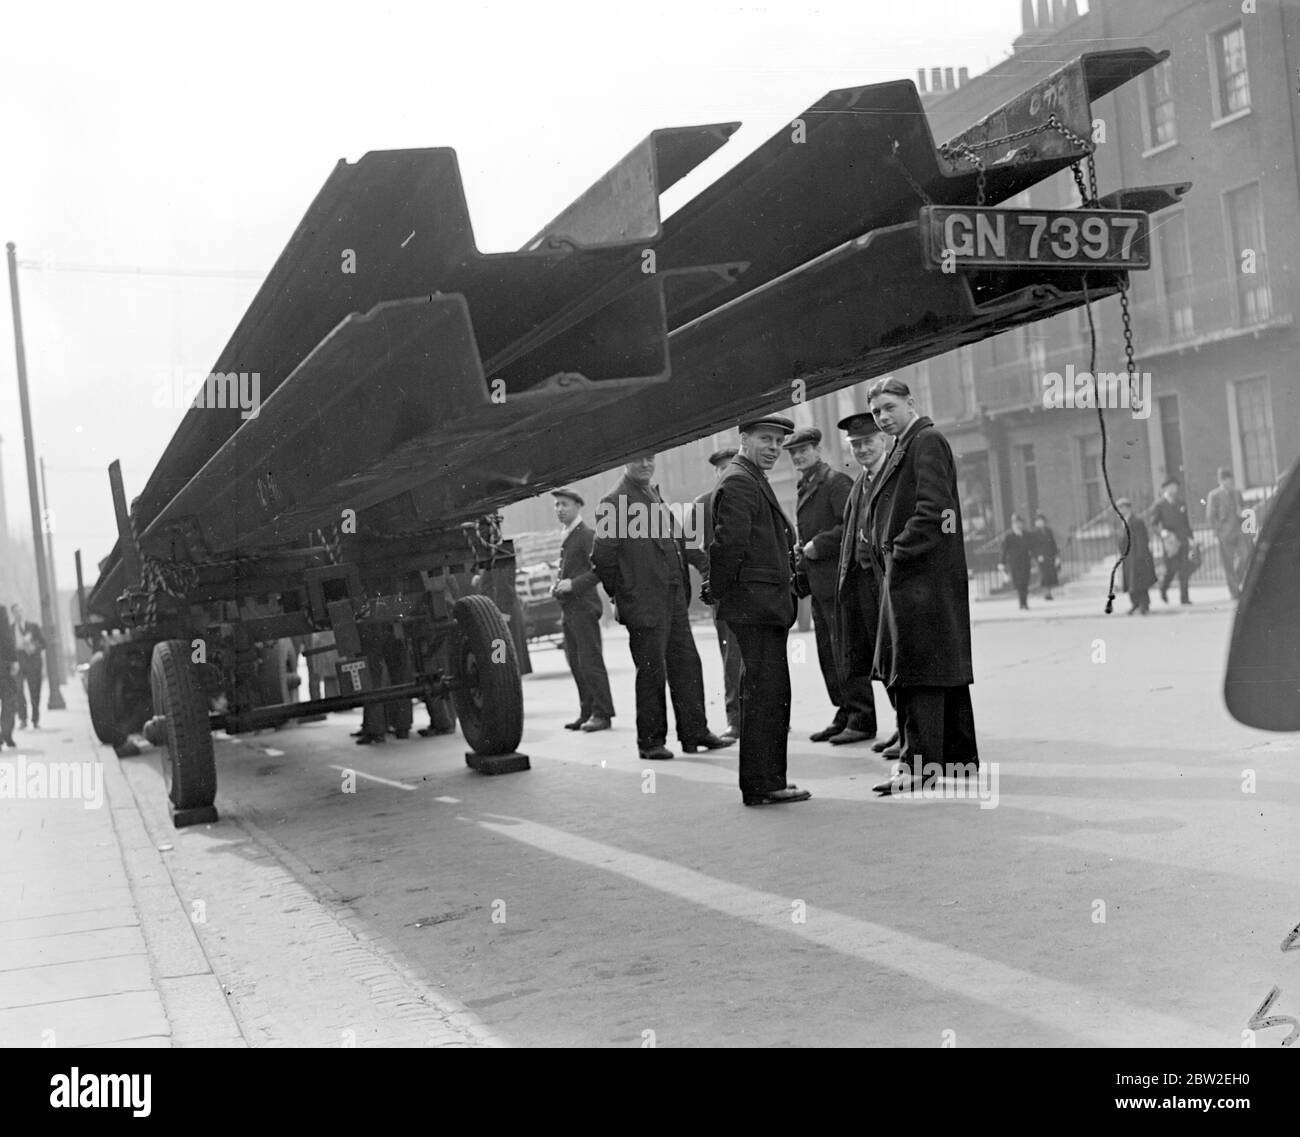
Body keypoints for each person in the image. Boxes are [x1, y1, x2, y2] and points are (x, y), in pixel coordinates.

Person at [862, 377, 978, 796]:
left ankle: (918, 768)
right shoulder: (910, 444)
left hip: (919, 578)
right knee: (937, 670)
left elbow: (936, 509)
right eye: (877, 412)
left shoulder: (924, 441)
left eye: (890, 407)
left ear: (911, 402)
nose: (883, 417)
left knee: (915, 674)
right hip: (923, 578)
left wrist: (899, 549)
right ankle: (958, 762)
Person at [592, 452, 732, 761]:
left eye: (650, 458)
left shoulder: (653, 495)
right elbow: (602, 559)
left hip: (674, 598)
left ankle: (695, 732)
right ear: (623, 462)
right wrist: (624, 595)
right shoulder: (614, 503)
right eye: (637, 459)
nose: (645, 464)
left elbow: (679, 541)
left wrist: (708, 567)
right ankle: (651, 742)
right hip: (643, 603)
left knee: (687, 664)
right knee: (652, 672)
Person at [708, 414, 810, 806]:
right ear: (743, 439)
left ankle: (764, 781)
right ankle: (765, 783)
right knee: (767, 695)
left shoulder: (746, 477)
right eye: (765, 439)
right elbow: (727, 545)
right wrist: (719, 591)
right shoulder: (739, 480)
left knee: (765, 694)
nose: (773, 447)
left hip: (760, 606)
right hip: (758, 607)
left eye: (778, 442)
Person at [785, 427, 864, 744]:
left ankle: (861, 715)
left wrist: (819, 544)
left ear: (819, 450)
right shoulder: (807, 485)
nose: (798, 457)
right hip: (819, 585)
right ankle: (844, 711)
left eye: (804, 450)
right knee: (828, 653)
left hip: (838, 584)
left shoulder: (835, 483)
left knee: (845, 650)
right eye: (793, 454)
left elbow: (851, 526)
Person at [835, 411, 894, 755]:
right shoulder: (860, 483)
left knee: (896, 659)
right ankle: (903, 728)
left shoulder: (892, 476)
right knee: (880, 658)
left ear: (883, 440)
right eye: (856, 445)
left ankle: (908, 730)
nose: (862, 449)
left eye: (868, 442)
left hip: (886, 583)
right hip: (865, 586)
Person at [551, 488, 614, 732]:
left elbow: (601, 569)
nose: (559, 509)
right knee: (576, 661)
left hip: (584, 607)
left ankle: (602, 713)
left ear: (578, 506)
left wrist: (573, 584)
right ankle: (587, 711)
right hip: (570, 608)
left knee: (590, 661)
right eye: (556, 505)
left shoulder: (586, 534)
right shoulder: (568, 535)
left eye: (564, 504)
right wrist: (557, 584)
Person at [694, 446, 742, 740]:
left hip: (754, 591)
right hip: (724, 594)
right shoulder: (703, 504)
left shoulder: (751, 495)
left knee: (760, 657)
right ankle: (735, 719)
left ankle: (767, 715)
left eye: (731, 466)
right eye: (720, 469)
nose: (726, 473)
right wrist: (710, 573)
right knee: (732, 656)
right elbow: (690, 546)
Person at [1149, 477, 1196, 605]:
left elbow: (1186, 522)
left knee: (1184, 569)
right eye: (1171, 487)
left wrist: (1191, 538)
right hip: (1170, 542)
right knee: (1171, 569)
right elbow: (1153, 524)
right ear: (1165, 489)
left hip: (1183, 539)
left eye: (1175, 487)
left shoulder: (1181, 503)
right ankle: (1163, 588)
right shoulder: (1159, 505)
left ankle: (1184, 598)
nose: (1173, 490)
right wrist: (1161, 532)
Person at [1206, 467, 1250, 600]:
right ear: (1220, 481)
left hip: (1239, 531)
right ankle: (1234, 591)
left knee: (1245, 556)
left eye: (1230, 480)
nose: (1228, 483)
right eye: (1225, 480)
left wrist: (1243, 512)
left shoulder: (1237, 492)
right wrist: (1216, 532)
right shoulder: (1214, 495)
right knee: (1228, 563)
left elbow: (1243, 509)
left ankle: (1236, 580)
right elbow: (1210, 516)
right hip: (1224, 534)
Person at [1114, 498, 1156, 614]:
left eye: (1123, 507)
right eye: (1119, 508)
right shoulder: (1123, 522)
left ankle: (1144, 604)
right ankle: (1135, 603)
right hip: (1127, 557)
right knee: (1130, 583)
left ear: (1129, 508)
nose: (1121, 510)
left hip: (1137, 556)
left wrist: (1140, 557)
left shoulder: (1136, 521)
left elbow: (1142, 540)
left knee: (1140, 582)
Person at [10, 603, 46, 728]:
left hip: (32, 661)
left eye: (20, 611)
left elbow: (44, 643)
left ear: (23, 611)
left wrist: (33, 646)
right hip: (18, 660)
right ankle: (23, 719)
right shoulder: (11, 629)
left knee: (34, 691)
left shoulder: (33, 627)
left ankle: (35, 720)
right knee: (19, 691)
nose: (18, 614)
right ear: (13, 614)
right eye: (15, 612)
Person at [998, 515, 1034, 610]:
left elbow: (1032, 547)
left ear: (1022, 524)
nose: (1018, 525)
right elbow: (1004, 550)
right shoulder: (1009, 536)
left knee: (1025, 582)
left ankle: (1024, 603)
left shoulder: (1027, 535)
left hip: (1025, 562)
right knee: (1019, 583)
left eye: (1019, 523)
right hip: (1014, 563)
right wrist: (1002, 562)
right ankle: (1022, 603)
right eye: (1015, 523)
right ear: (1012, 525)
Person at [1032, 513, 1060, 601]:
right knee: (1044, 575)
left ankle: (1049, 592)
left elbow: (1053, 544)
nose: (1040, 523)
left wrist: (1057, 556)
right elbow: (1033, 547)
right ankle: (1046, 593)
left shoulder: (1048, 531)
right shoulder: (1034, 533)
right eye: (1038, 521)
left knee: (1050, 574)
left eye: (1041, 521)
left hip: (1050, 556)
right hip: (1041, 557)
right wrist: (1037, 556)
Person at [0, 604, 17, 747]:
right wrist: (13, 660)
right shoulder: (1, 610)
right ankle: (6, 732)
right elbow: (6, 637)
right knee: (7, 701)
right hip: (3, 667)